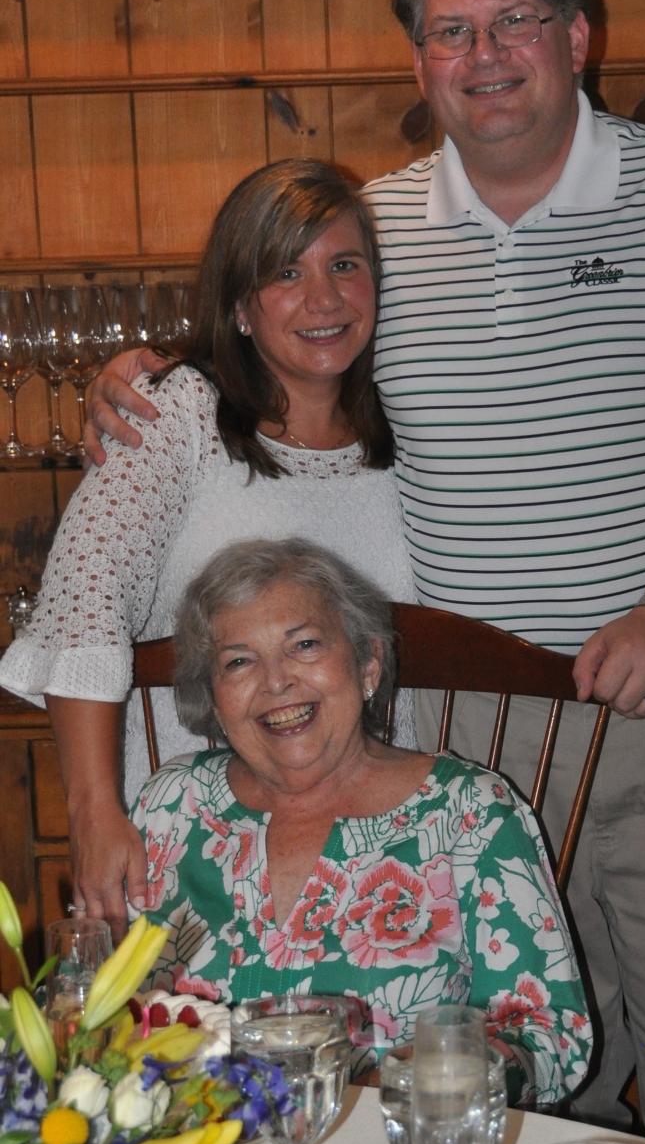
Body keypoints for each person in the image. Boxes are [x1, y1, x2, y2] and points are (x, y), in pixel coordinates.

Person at [82, 0, 645, 1144]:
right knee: (486, 1105)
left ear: (578, 36)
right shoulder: (375, 234)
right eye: (449, 31)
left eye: (514, 20)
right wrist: (151, 375)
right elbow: (282, 343)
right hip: (463, 750)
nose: (483, 55)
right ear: (419, 62)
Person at [0, 160, 418, 929]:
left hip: (378, 852)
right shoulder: (179, 412)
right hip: (192, 850)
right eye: (286, 271)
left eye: (346, 265)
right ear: (239, 306)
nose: (324, 298)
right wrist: (96, 814)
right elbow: (83, 603)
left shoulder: (412, 427)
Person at [132, 536, 592, 1105]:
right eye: (239, 660)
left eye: (303, 645)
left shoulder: (468, 812)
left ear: (368, 662)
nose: (276, 681)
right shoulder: (170, 807)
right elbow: (107, 1004)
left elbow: (550, 1035)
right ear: (214, 695)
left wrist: (427, 1081)